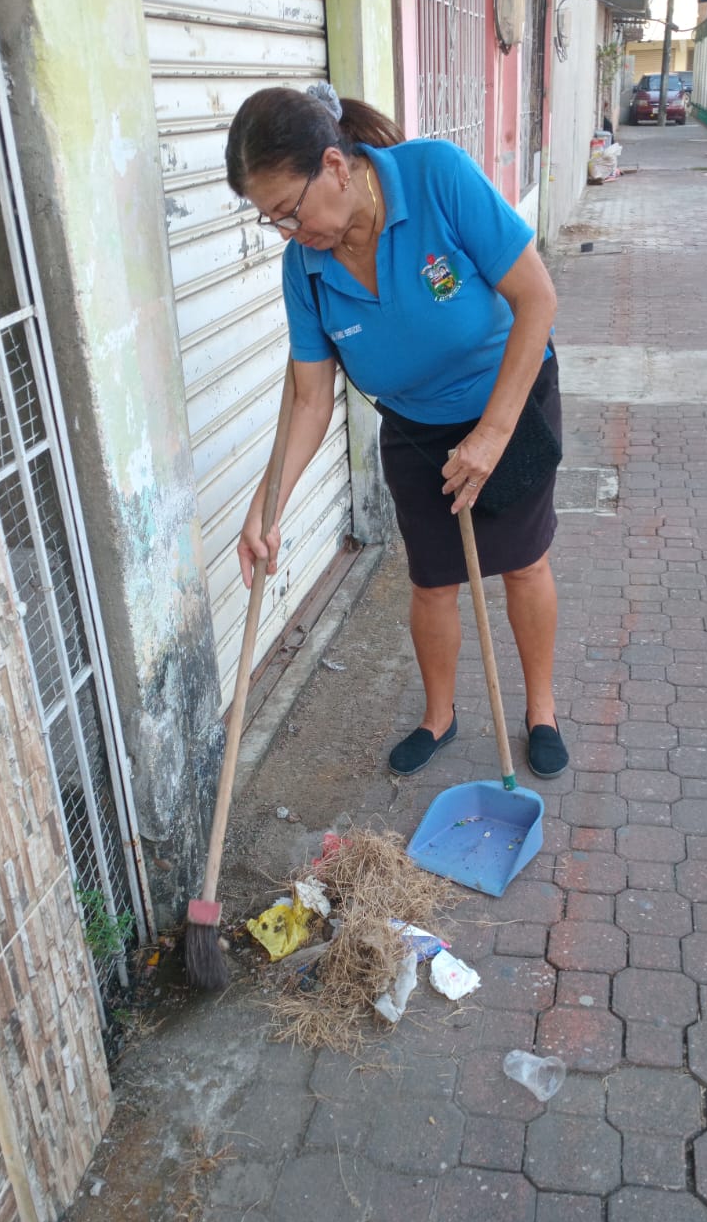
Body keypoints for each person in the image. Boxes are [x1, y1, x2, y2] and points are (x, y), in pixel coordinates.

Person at [225, 84, 568, 779]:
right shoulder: (305, 269)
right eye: (272, 221)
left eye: (289, 210)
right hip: (415, 427)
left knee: (524, 561)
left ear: (334, 166)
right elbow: (310, 399)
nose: (288, 232)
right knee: (433, 579)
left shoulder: (436, 176)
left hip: (507, 400)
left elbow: (537, 298)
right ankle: (438, 717)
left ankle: (542, 710)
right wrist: (266, 510)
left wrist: (493, 434)